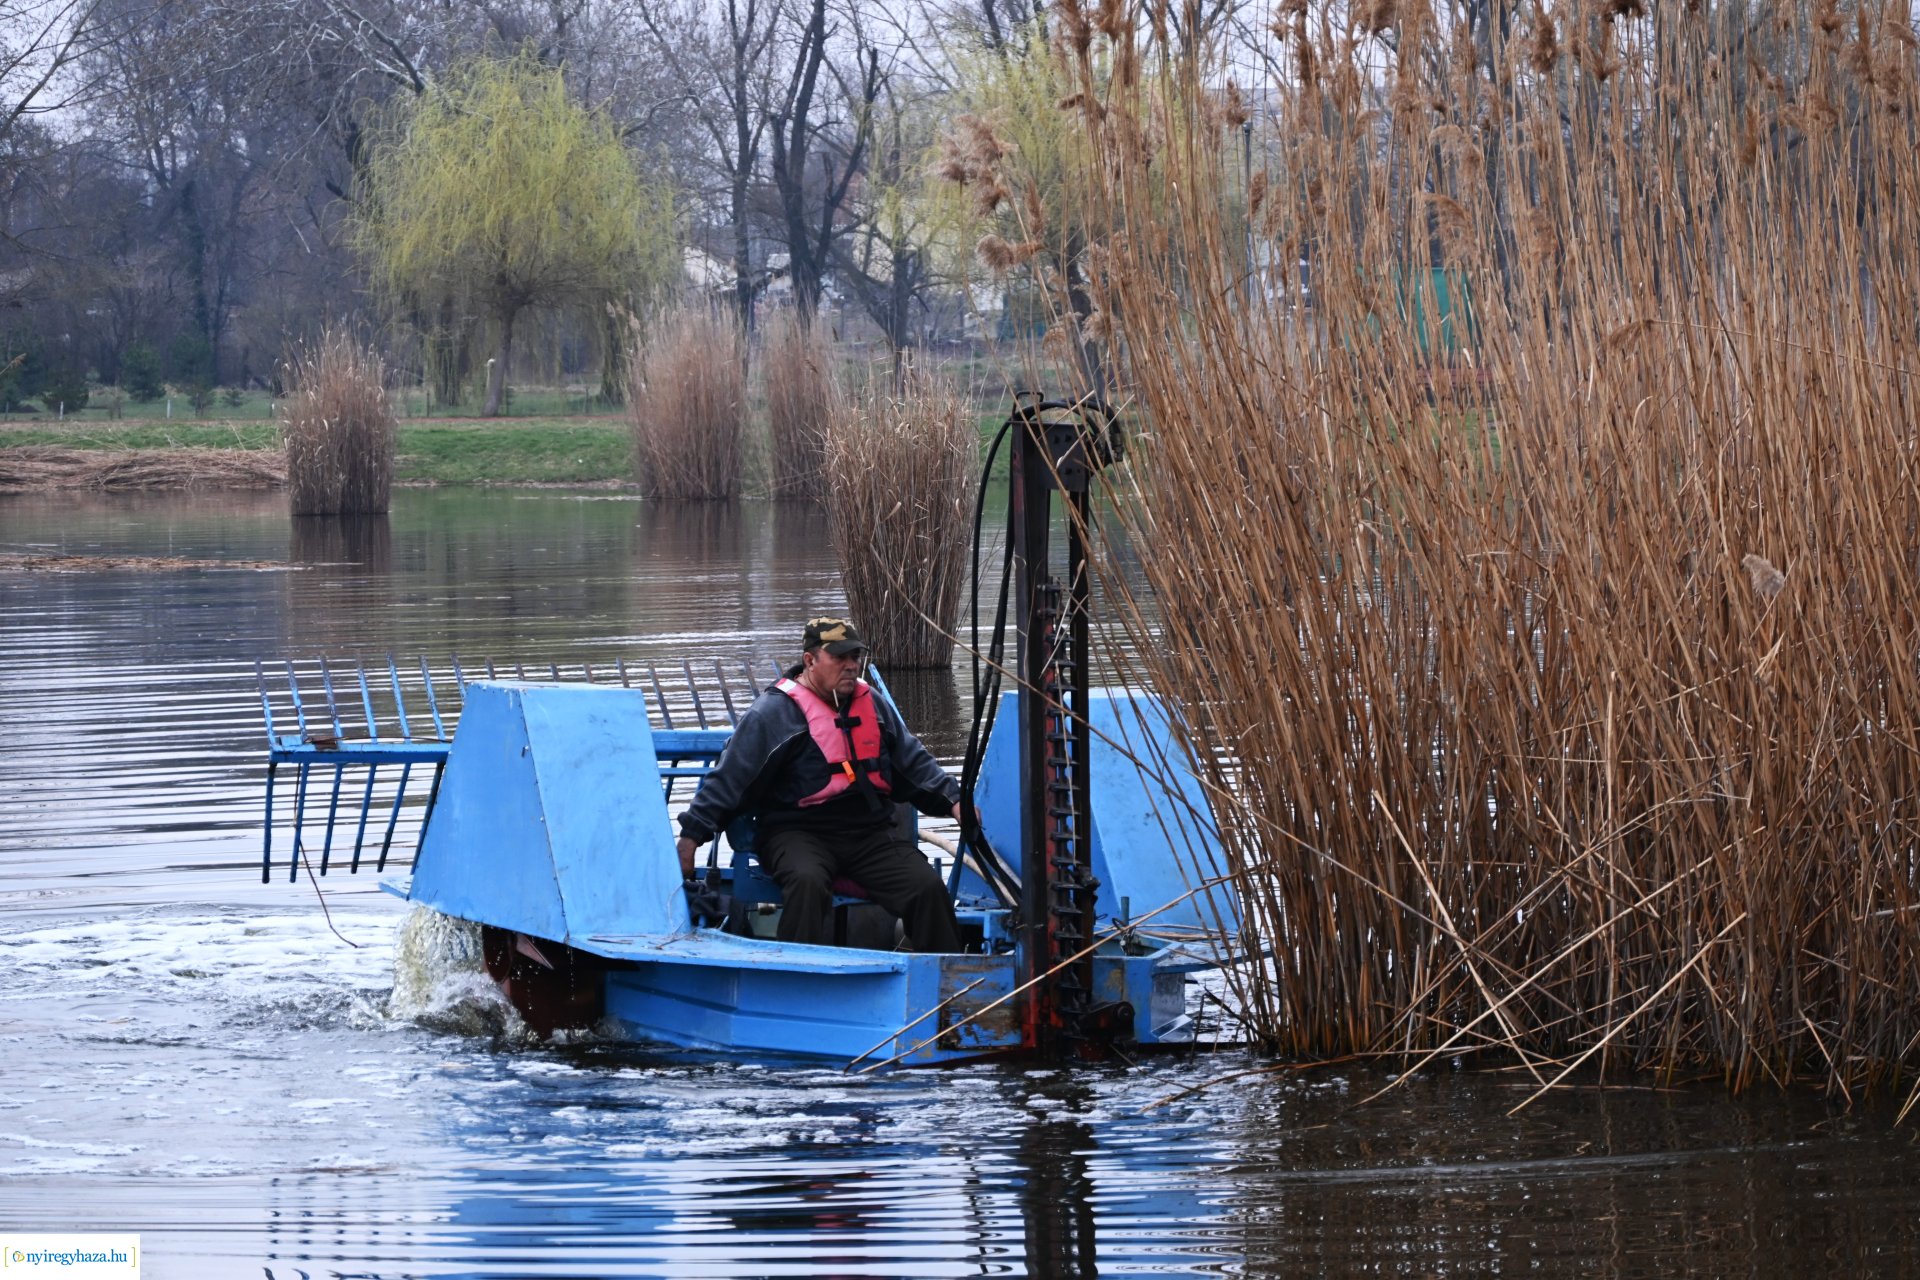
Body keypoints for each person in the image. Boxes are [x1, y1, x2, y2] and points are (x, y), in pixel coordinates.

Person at [674, 616, 965, 952]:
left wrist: (955, 801)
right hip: (796, 833)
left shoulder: (872, 704)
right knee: (807, 882)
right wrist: (690, 840)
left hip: (867, 834)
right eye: (839, 657)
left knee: (927, 888)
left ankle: (946, 975)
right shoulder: (774, 713)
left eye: (855, 656)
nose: (851, 665)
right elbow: (729, 780)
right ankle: (799, 974)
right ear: (810, 660)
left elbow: (913, 764)